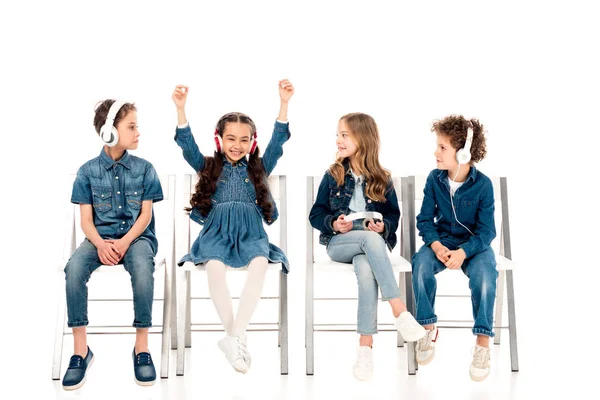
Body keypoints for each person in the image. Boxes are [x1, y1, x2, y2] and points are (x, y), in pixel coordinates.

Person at [172, 80, 294, 374]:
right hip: (216, 233)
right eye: (230, 139)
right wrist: (180, 109)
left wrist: (284, 104)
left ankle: (235, 336)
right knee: (214, 268)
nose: (236, 145)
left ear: (251, 142)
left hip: (251, 233)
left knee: (260, 264)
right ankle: (235, 339)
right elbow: (187, 147)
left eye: (243, 140)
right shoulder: (209, 167)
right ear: (219, 141)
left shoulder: (259, 168)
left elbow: (278, 143)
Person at [309, 112, 425, 381]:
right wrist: (334, 224)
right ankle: (400, 311)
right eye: (337, 134)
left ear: (363, 139)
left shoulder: (382, 178)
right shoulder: (333, 174)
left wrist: (383, 227)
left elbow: (393, 215)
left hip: (368, 248)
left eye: (344, 135)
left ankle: (365, 349)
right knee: (369, 242)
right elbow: (316, 215)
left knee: (365, 269)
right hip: (340, 243)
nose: (338, 140)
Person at [63, 99, 163, 390]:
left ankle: (141, 348)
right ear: (109, 131)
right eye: (131, 126)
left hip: (136, 239)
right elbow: (85, 221)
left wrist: (123, 242)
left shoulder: (145, 169)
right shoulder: (87, 171)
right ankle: (80, 350)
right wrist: (101, 244)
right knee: (73, 269)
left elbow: (145, 215)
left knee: (144, 268)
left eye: (137, 126)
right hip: (98, 239)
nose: (138, 132)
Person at [411, 115, 497, 382]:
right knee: (420, 263)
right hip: (443, 241)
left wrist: (463, 252)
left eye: (442, 148)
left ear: (463, 153)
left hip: (475, 246)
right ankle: (427, 327)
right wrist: (437, 246)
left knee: (485, 276)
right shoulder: (434, 180)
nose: (435, 152)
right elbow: (424, 220)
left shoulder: (483, 185)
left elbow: (487, 231)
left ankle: (482, 343)